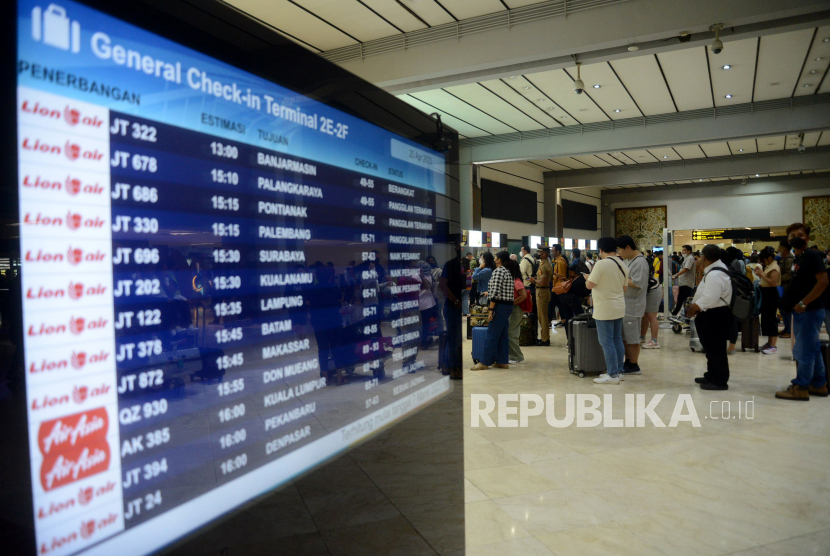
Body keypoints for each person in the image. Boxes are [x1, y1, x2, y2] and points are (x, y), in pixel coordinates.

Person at [776, 223, 828, 400]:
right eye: (792, 236)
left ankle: (801, 387)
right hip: (802, 311)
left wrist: (804, 303)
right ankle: (818, 384)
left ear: (807, 237)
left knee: (803, 351)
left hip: (810, 310)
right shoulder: (798, 257)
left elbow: (823, 281)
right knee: (812, 349)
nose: (796, 238)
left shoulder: (812, 255)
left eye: (800, 234)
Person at [687, 245, 733, 390]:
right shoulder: (717, 270)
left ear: (705, 257)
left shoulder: (715, 274)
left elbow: (710, 298)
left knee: (715, 348)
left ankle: (719, 380)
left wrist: (693, 308)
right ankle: (711, 374)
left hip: (714, 315)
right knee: (711, 347)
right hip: (713, 314)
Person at [586, 237, 629, 384]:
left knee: (606, 342)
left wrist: (587, 278)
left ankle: (612, 375)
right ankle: (619, 371)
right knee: (617, 339)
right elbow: (624, 288)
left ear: (600, 250)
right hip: (619, 306)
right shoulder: (623, 264)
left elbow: (589, 285)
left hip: (604, 308)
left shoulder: (601, 264)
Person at [470, 251, 515, 371]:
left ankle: (484, 362)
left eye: (496, 257)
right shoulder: (507, 271)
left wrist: (490, 310)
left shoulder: (498, 271)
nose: (494, 258)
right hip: (508, 305)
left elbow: (495, 294)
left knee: (492, 334)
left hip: (500, 306)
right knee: (503, 334)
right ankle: (502, 361)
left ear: (499, 259)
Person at [617, 235, 649, 375]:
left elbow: (637, 283)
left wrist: (619, 279)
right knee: (625, 337)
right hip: (626, 305)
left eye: (620, 250)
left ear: (628, 247)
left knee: (632, 338)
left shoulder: (640, 262)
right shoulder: (629, 260)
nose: (619, 253)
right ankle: (628, 361)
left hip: (633, 306)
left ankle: (634, 365)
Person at [440, 242, 465, 380]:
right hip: (451, 306)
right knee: (453, 338)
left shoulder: (464, 265)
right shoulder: (450, 265)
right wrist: (455, 300)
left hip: (459, 306)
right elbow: (442, 285)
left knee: (456, 338)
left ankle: (450, 364)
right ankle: (452, 365)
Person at [754, 248, 781, 355]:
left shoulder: (774, 267)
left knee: (771, 319)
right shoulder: (769, 266)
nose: (762, 262)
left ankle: (773, 346)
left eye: (763, 260)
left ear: (769, 258)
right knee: (767, 319)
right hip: (766, 294)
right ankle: (769, 343)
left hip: (771, 295)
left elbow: (773, 283)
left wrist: (761, 275)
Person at [504, 258, 527, 364]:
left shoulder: (516, 281)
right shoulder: (514, 280)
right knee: (512, 332)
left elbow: (523, 296)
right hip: (514, 309)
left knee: (510, 332)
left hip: (516, 310)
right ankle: (513, 355)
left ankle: (516, 356)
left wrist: (512, 302)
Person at [560, 264, 590, 339]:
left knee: (568, 319)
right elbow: (586, 293)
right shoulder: (581, 279)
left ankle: (570, 339)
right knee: (581, 317)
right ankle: (582, 337)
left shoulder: (575, 280)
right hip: (572, 299)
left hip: (564, 297)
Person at [532, 247, 553, 346]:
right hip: (544, 291)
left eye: (539, 253)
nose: (538, 254)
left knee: (543, 317)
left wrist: (533, 281)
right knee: (543, 316)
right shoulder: (546, 264)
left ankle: (545, 339)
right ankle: (544, 337)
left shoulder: (544, 266)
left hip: (542, 292)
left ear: (544, 254)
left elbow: (543, 282)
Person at [670, 245, 695, 320]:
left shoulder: (690, 258)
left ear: (689, 251)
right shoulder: (686, 258)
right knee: (684, 300)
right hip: (683, 282)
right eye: (682, 250)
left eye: (684, 250)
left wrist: (676, 275)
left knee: (680, 299)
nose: (683, 252)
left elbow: (686, 269)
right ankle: (686, 315)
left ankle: (674, 314)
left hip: (687, 283)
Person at [778, 240, 794, 339]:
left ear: (784, 249)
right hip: (783, 287)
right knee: (782, 309)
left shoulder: (789, 260)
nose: (778, 249)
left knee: (786, 310)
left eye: (779, 247)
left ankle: (789, 331)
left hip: (787, 288)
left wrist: (777, 279)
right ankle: (786, 328)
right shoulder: (784, 259)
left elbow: (789, 275)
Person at [550, 244, 568, 328]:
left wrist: (552, 273)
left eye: (553, 251)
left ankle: (548, 321)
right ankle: (564, 319)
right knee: (560, 304)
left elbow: (562, 275)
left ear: (557, 251)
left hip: (558, 287)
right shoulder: (557, 261)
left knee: (551, 304)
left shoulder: (560, 262)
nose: (552, 252)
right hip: (557, 286)